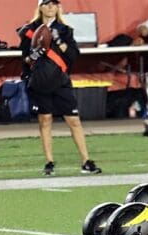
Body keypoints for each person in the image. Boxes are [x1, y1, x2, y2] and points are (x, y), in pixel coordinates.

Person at [19, 0, 100, 176]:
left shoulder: (65, 30)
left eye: (54, 4)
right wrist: (34, 55)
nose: (50, 7)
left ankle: (86, 161)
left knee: (74, 120)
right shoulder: (29, 31)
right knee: (45, 120)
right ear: (40, 7)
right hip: (40, 81)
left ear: (58, 7)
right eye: (47, 4)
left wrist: (59, 41)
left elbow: (73, 56)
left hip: (60, 81)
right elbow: (24, 59)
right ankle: (49, 162)